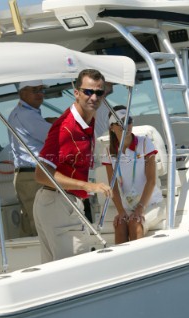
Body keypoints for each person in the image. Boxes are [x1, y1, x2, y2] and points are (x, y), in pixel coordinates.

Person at [33, 69, 113, 263]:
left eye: (99, 92)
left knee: (56, 272)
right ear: (76, 93)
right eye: (87, 92)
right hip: (59, 202)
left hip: (59, 202)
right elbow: (41, 174)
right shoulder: (65, 128)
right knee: (74, 268)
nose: (93, 97)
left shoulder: (88, 118)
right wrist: (88, 186)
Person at [102, 105, 165, 244]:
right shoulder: (108, 152)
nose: (126, 125)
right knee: (119, 225)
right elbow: (113, 187)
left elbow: (151, 181)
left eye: (128, 120)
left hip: (152, 204)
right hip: (128, 207)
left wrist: (140, 208)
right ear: (112, 127)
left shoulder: (144, 143)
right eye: (120, 122)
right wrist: (121, 211)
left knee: (134, 223)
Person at [8, 80, 57, 236]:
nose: (40, 94)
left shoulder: (24, 113)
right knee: (41, 223)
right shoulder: (27, 115)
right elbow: (54, 138)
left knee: (34, 223)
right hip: (33, 175)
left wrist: (48, 121)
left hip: (31, 174)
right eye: (35, 90)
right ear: (22, 93)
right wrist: (58, 123)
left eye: (41, 90)